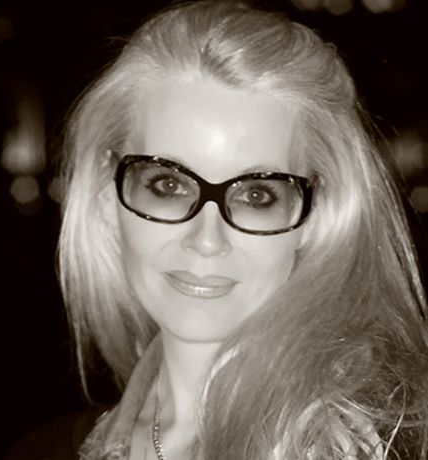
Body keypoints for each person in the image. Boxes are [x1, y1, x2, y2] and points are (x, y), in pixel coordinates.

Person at [56, 1, 428, 458]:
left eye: (257, 196)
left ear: (317, 215)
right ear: (106, 195)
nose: (206, 239)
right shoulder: (47, 449)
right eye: (168, 185)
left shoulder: (392, 443)